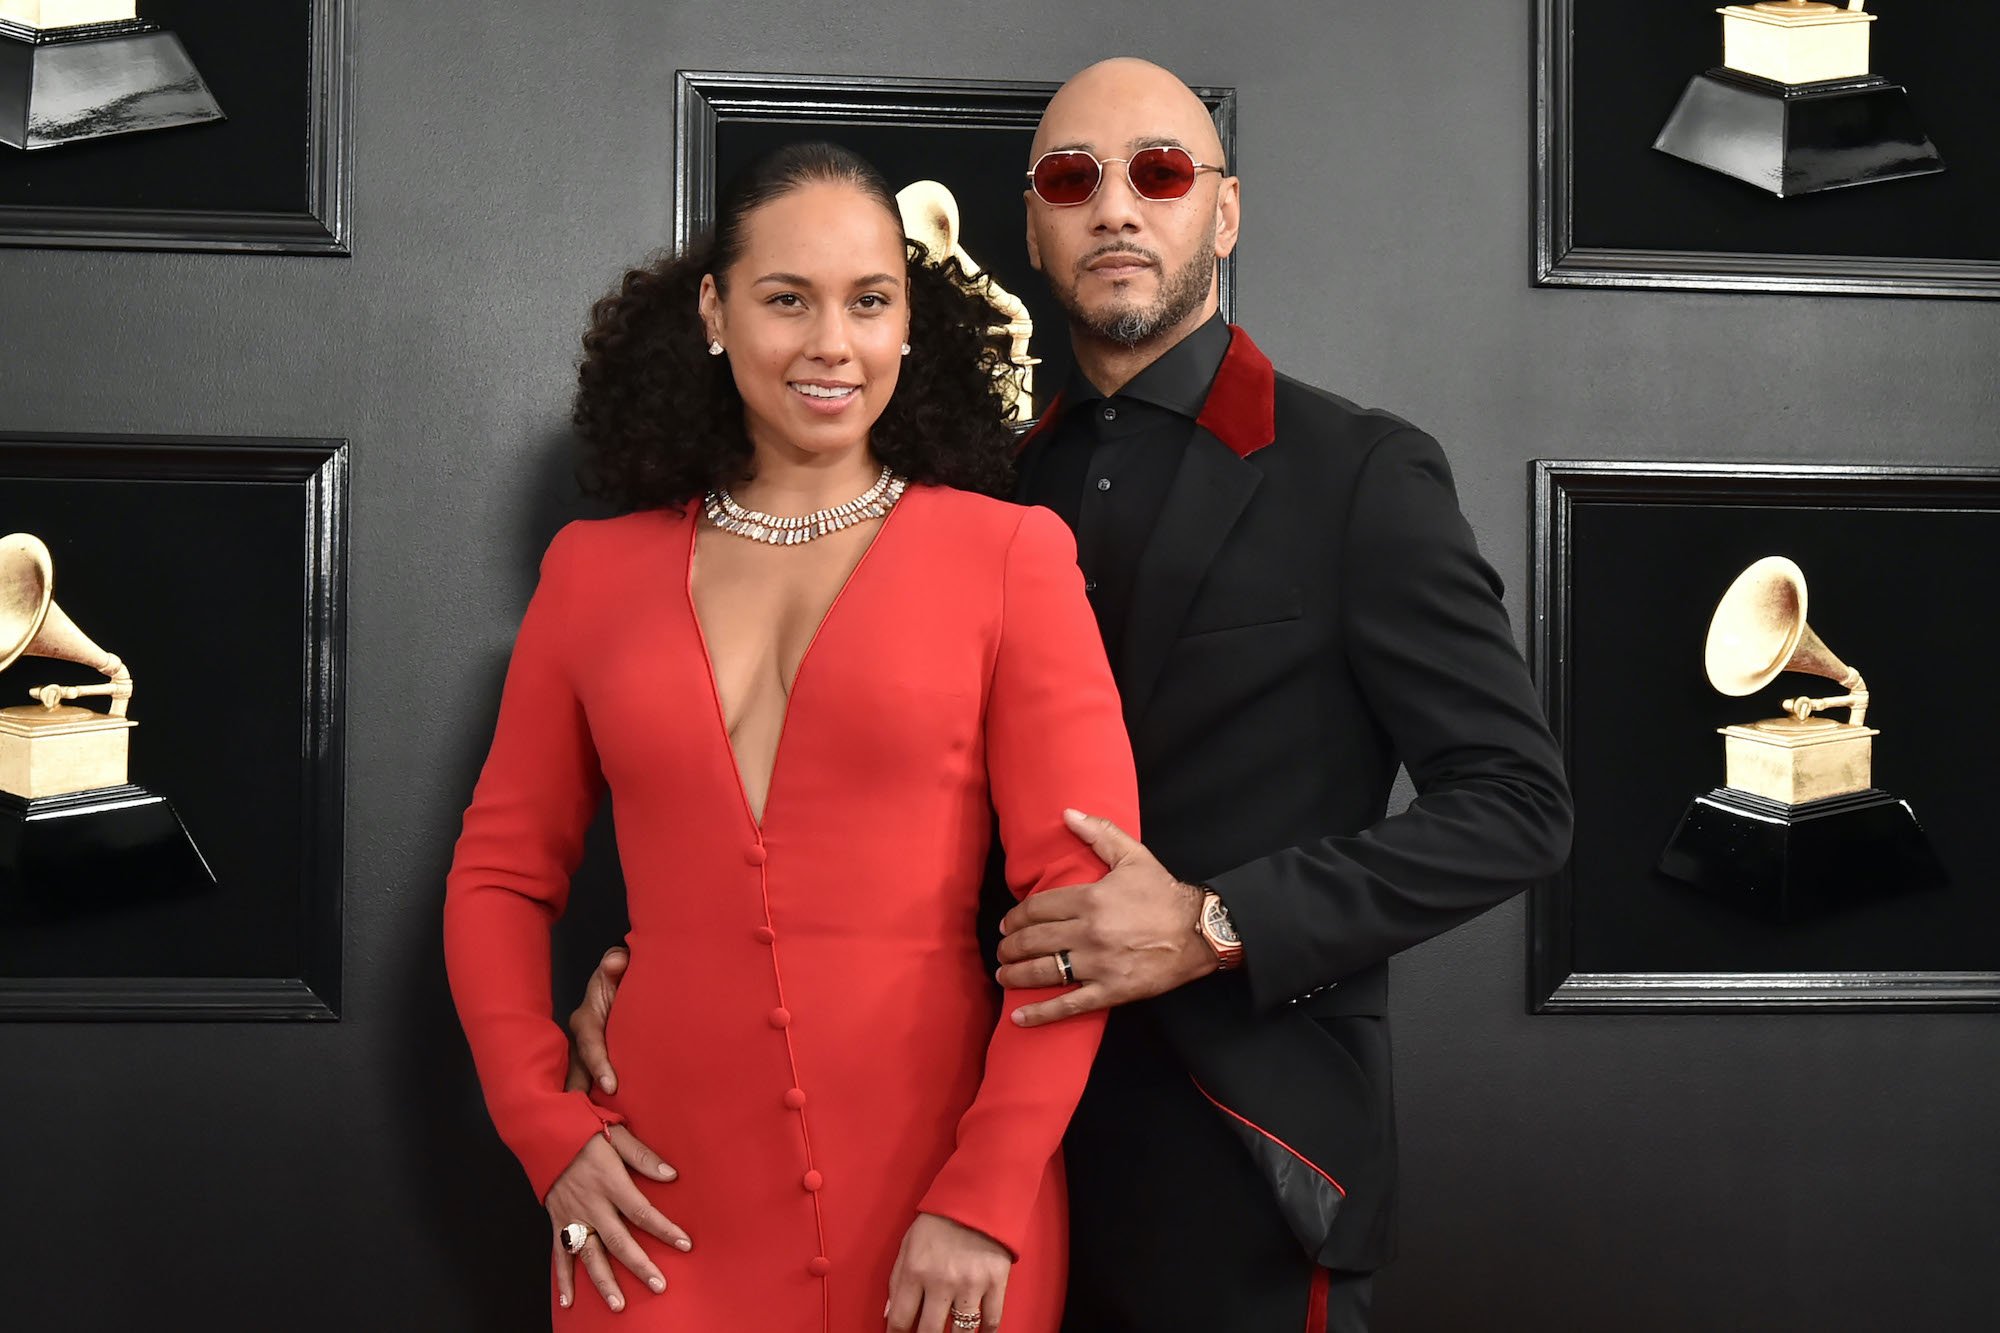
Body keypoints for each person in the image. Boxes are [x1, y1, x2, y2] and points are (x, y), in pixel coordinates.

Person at [567, 59, 1575, 1333]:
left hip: (1230, 1149)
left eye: (1158, 173)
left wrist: (1216, 921)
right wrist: (669, 975)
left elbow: (1517, 807)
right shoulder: (977, 495)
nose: (1114, 208)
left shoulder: (1358, 474)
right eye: (1070, 179)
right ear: (1032, 227)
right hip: (963, 1150)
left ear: (1222, 213)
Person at [442, 141, 1140, 1332]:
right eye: (787, 300)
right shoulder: (591, 574)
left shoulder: (1007, 558)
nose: (834, 343)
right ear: (714, 312)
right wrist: (543, 1128)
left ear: (909, 320)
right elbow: (500, 875)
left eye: (870, 301)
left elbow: (1078, 900)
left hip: (944, 1209)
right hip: (651, 1214)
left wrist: (988, 1190)